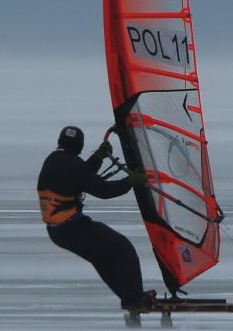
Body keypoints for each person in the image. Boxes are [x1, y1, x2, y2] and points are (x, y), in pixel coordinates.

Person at [37, 125, 155, 318]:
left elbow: (81, 174)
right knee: (122, 249)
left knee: (103, 258)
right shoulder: (71, 164)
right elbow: (103, 190)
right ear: (79, 146)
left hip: (60, 232)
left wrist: (99, 157)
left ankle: (131, 299)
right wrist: (129, 182)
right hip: (72, 229)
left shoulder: (54, 159)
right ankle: (134, 300)